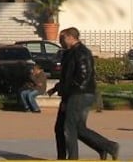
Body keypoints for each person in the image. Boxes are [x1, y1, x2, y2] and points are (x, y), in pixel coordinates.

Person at [48, 27, 119, 160]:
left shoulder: (81, 52)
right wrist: (57, 88)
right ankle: (105, 147)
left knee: (69, 128)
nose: (60, 41)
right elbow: (68, 76)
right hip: (71, 93)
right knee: (68, 128)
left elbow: (83, 77)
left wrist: (68, 93)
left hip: (80, 94)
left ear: (70, 37)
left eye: (62, 38)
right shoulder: (69, 53)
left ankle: (74, 158)